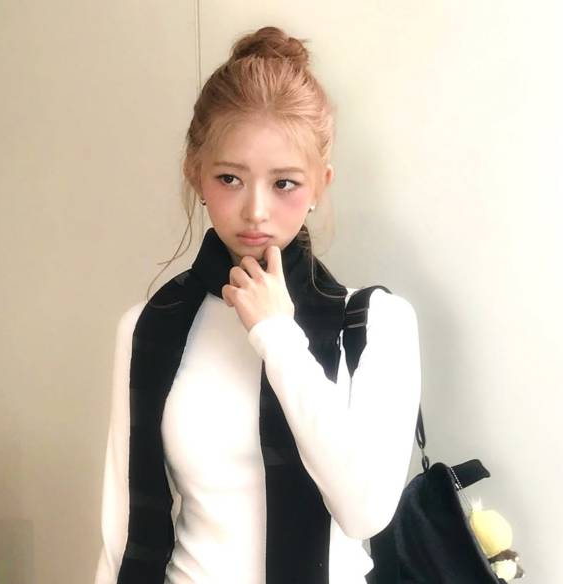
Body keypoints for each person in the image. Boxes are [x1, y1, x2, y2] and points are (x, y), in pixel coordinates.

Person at [94, 25, 421, 584]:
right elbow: (122, 533)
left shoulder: (374, 324)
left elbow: (365, 510)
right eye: (230, 178)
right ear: (196, 174)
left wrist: (278, 337)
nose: (256, 211)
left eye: (284, 183)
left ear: (320, 184)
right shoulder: (148, 328)